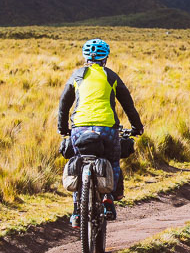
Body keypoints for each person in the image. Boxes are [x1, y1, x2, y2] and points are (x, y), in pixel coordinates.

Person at [57, 38, 144, 223]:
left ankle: (76, 211)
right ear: (106, 57)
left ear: (85, 57)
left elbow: (64, 104)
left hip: (79, 128)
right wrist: (137, 128)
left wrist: (63, 128)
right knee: (113, 159)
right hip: (107, 128)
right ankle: (108, 199)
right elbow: (128, 105)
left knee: (78, 161)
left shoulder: (76, 75)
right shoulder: (111, 76)